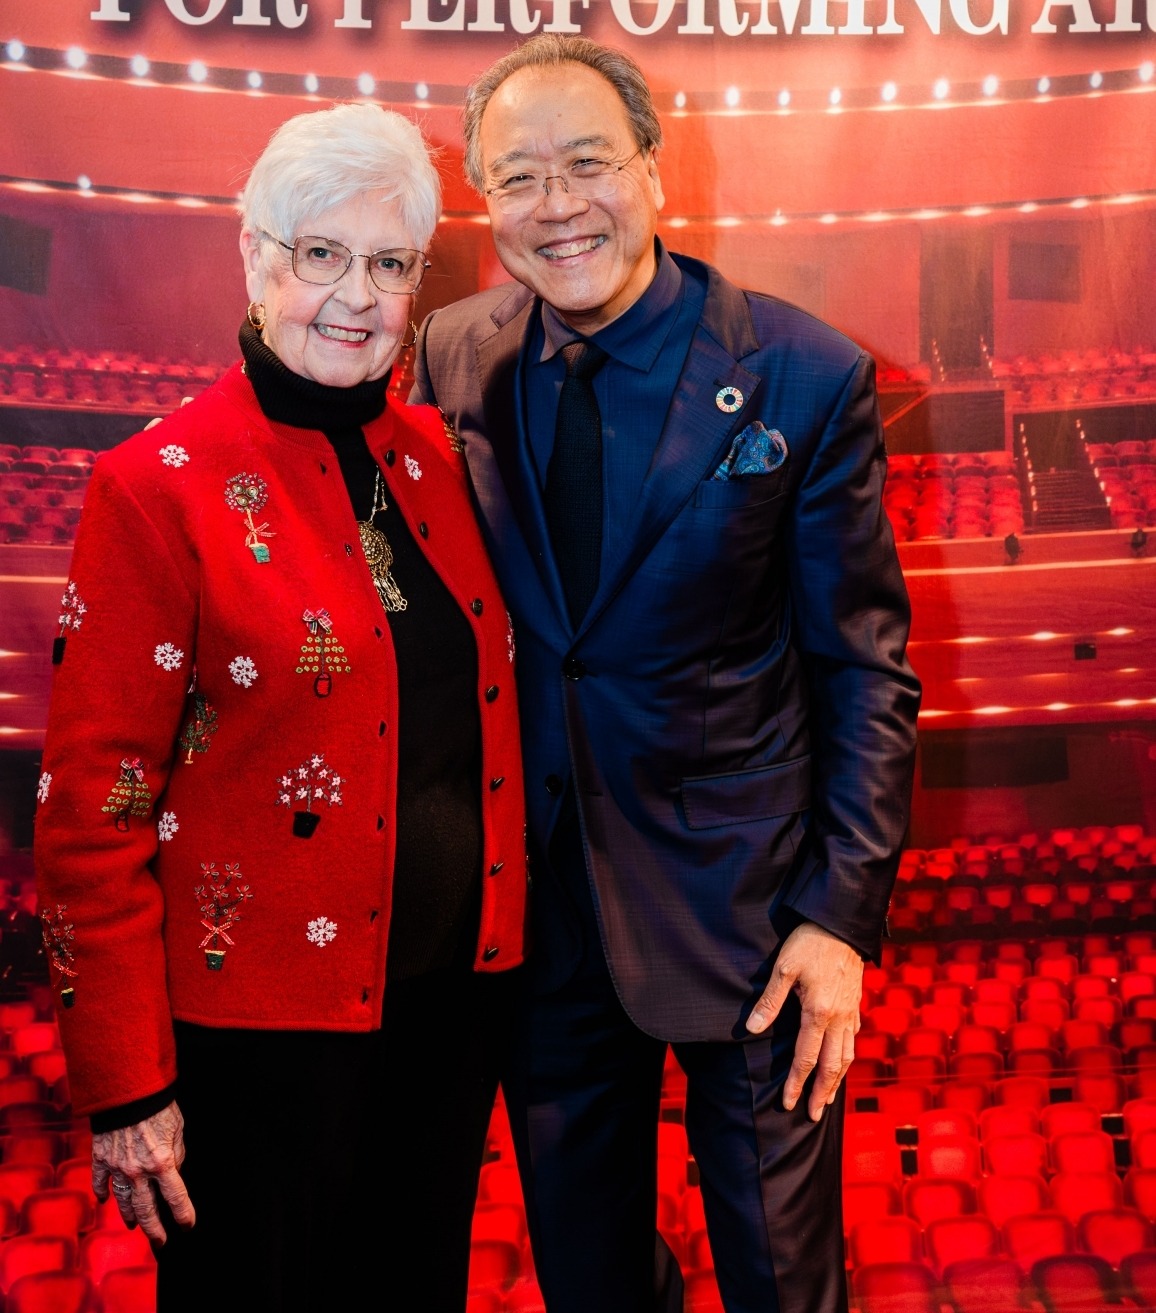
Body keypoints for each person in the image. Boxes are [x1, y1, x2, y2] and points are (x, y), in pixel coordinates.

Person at [411, 33, 921, 1313]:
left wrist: (837, 918)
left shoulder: (805, 372)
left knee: (779, 1280)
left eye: (588, 162)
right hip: (535, 917)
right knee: (587, 1274)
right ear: (485, 201)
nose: (557, 204)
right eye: (517, 177)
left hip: (748, 919)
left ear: (652, 170)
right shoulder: (450, 353)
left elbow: (862, 667)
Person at [34, 101, 527, 1313]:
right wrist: (127, 1085)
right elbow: (92, 809)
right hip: (247, 1047)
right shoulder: (156, 487)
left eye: (391, 263)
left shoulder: (439, 462)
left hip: (443, 1021)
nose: (356, 295)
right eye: (322, 254)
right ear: (255, 256)